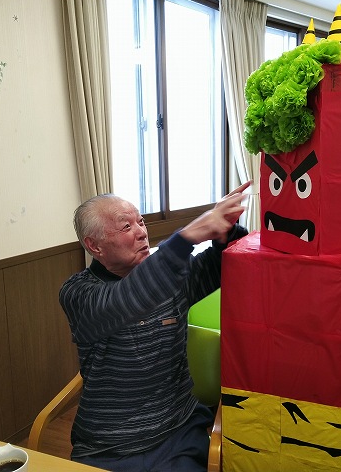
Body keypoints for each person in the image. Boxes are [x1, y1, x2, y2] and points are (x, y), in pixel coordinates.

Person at [59, 181, 251, 472]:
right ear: (94, 246)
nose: (141, 232)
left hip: (178, 432)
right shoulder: (78, 293)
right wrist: (187, 237)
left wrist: (227, 231)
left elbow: (225, 265)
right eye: (126, 227)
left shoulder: (172, 279)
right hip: (108, 445)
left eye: (141, 221)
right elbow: (124, 300)